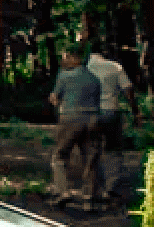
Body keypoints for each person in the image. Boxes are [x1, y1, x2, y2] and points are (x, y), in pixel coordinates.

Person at [50, 47, 104, 206]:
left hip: (70, 119)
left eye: (65, 57)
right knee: (90, 159)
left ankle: (63, 192)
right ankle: (90, 199)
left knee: (59, 157)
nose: (63, 61)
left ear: (75, 58)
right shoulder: (94, 79)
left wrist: (57, 103)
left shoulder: (64, 75)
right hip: (93, 120)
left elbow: (54, 97)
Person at [86, 45, 135, 201]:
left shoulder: (84, 69)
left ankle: (94, 188)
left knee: (93, 150)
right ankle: (111, 187)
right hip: (111, 111)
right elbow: (128, 89)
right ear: (105, 54)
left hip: (91, 113)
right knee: (113, 149)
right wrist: (135, 110)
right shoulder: (115, 67)